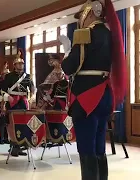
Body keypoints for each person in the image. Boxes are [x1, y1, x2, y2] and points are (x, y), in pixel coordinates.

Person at [58, 0, 126, 179]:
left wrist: (66, 52)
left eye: (81, 16)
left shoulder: (85, 33)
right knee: (98, 147)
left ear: (91, 13)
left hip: (87, 97)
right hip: (104, 95)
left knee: (86, 148)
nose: (80, 20)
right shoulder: (110, 34)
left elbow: (69, 67)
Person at [1, 49, 35, 157]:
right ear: (14, 65)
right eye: (19, 63)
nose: (21, 65)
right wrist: (8, 97)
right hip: (13, 103)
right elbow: (2, 90)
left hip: (23, 102)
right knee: (13, 125)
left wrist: (31, 97)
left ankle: (20, 146)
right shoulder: (9, 76)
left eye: (22, 63)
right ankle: (13, 147)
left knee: (23, 125)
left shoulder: (28, 76)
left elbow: (33, 89)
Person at [0, 62, 10, 144]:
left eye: (7, 74)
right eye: (4, 74)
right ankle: (1, 139)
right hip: (1, 103)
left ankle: (7, 138)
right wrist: (2, 103)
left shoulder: (10, 83)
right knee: (2, 122)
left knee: (7, 122)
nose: (6, 75)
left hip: (10, 103)